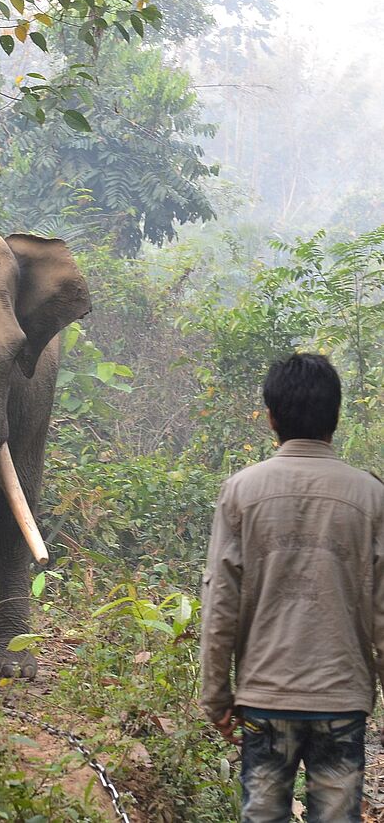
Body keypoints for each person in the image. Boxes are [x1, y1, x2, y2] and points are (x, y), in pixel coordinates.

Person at [200, 352, 384, 823]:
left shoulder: (241, 491)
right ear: (336, 417)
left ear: (271, 417)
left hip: (265, 696)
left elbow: (221, 600)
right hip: (341, 699)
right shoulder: (370, 496)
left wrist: (216, 696)